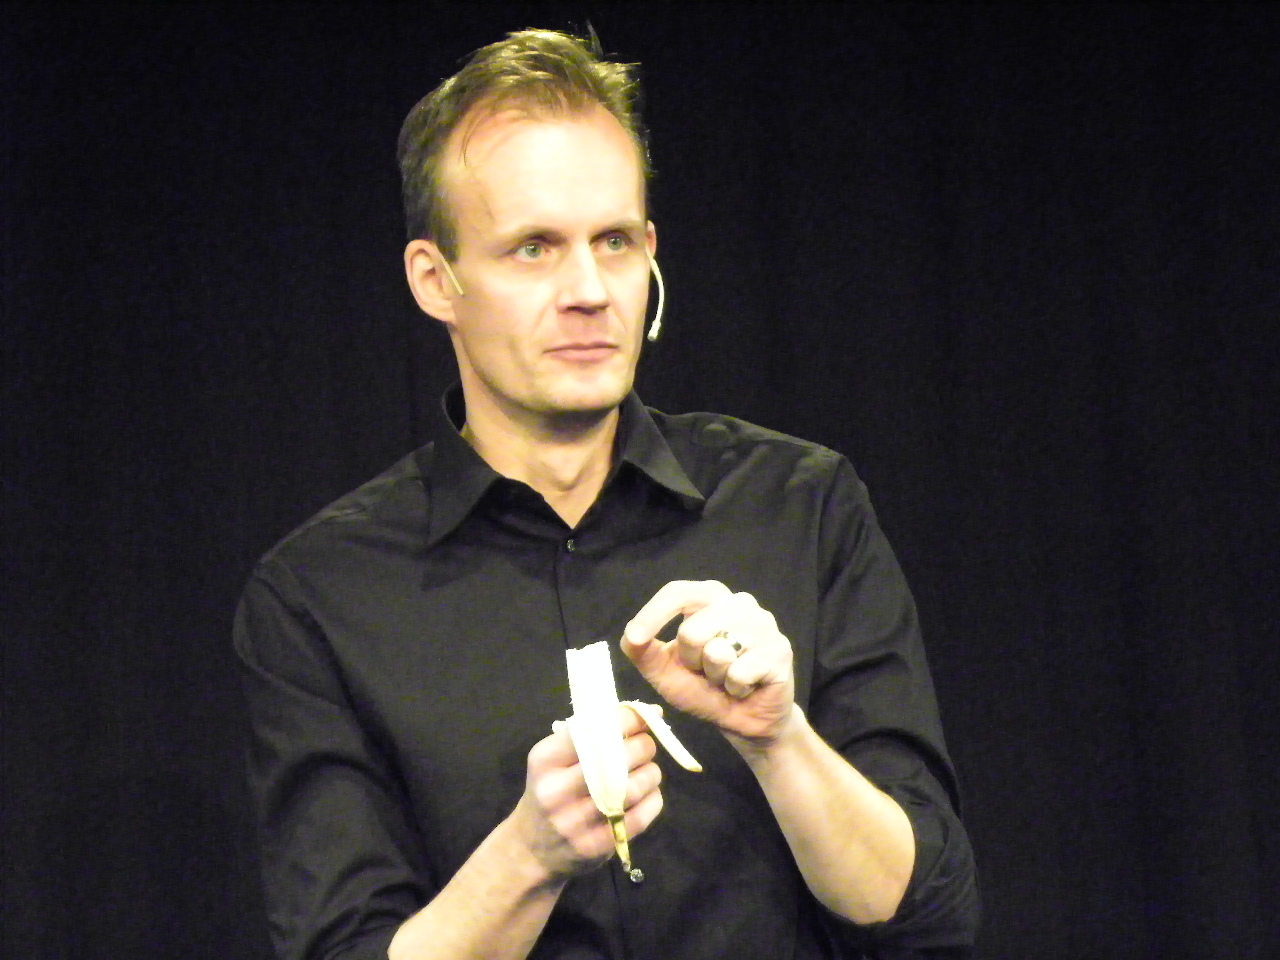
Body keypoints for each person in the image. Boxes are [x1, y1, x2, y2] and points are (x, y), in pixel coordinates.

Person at [234, 28, 979, 960]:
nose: (589, 290)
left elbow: (927, 916)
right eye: (533, 248)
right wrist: (526, 857)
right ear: (436, 280)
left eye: (614, 242)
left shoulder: (803, 505)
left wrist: (780, 739)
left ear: (650, 251)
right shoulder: (320, 596)